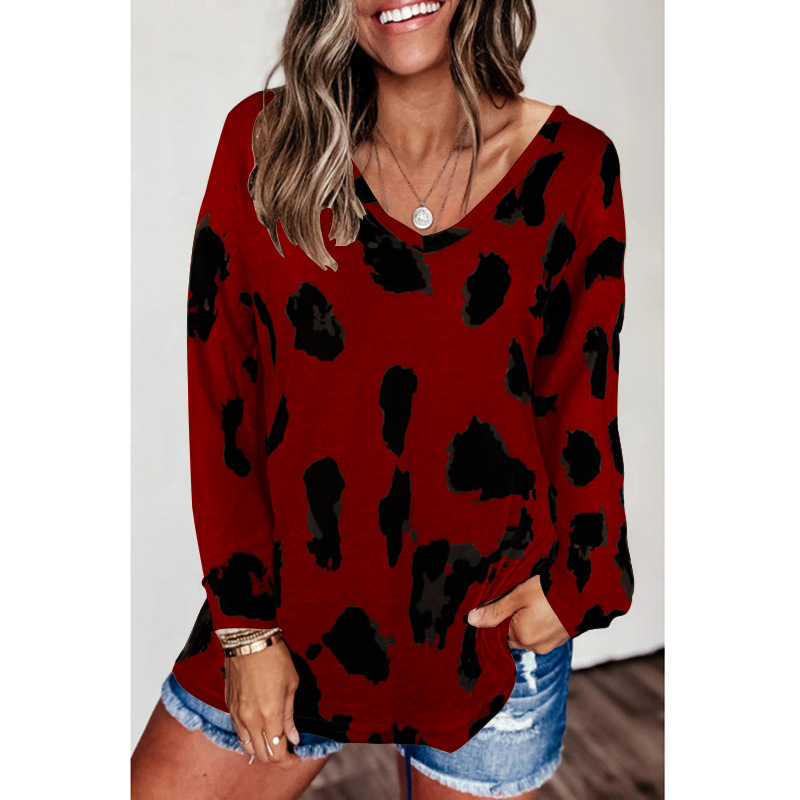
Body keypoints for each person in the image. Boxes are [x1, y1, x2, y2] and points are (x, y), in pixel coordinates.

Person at [132, 1, 634, 797]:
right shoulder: (267, 143)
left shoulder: (573, 164)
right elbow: (223, 391)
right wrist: (246, 629)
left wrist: (575, 589)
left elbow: (581, 403)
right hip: (294, 619)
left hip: (491, 639)